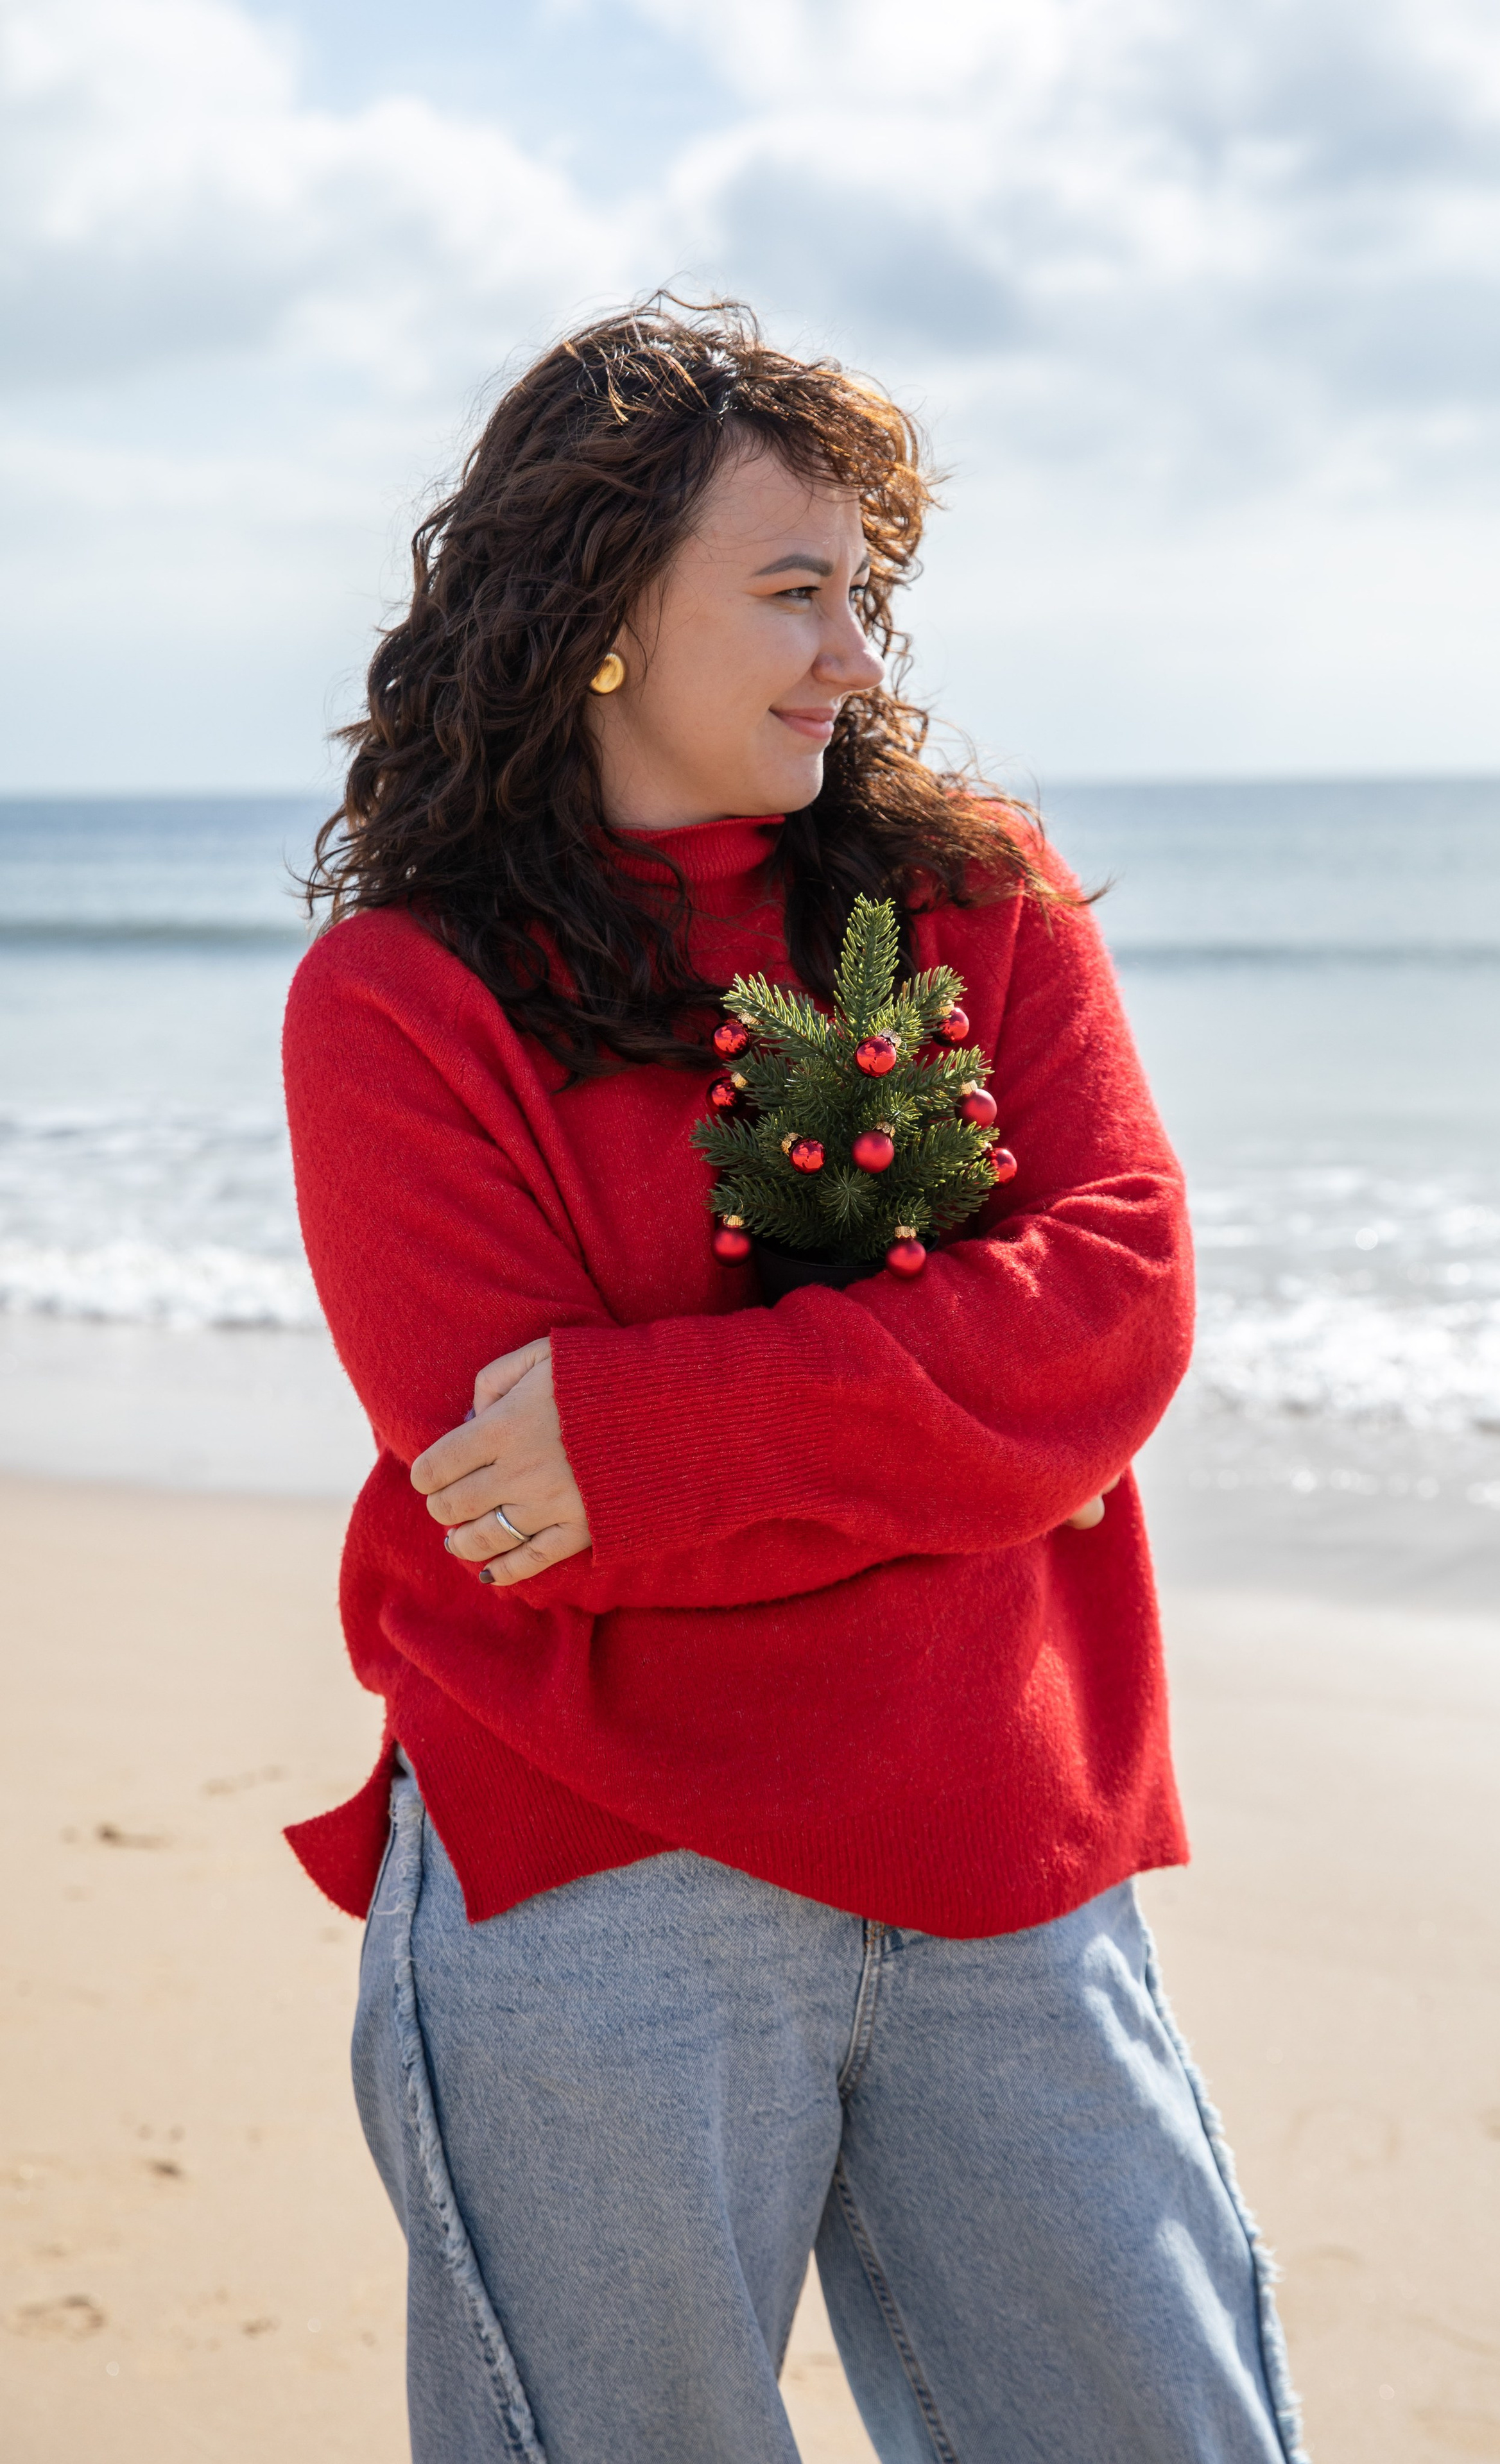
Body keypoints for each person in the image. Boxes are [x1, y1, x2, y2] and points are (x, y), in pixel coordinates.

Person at [284, 296, 1307, 2464]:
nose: (856, 651)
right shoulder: (400, 1000)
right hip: (598, 1882)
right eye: (790, 593)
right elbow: (503, 1488)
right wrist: (955, 1429)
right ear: (599, 617)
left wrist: (668, 1435)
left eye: (865, 594)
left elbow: (1114, 1309)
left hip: (1003, 1845)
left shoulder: (982, 899)